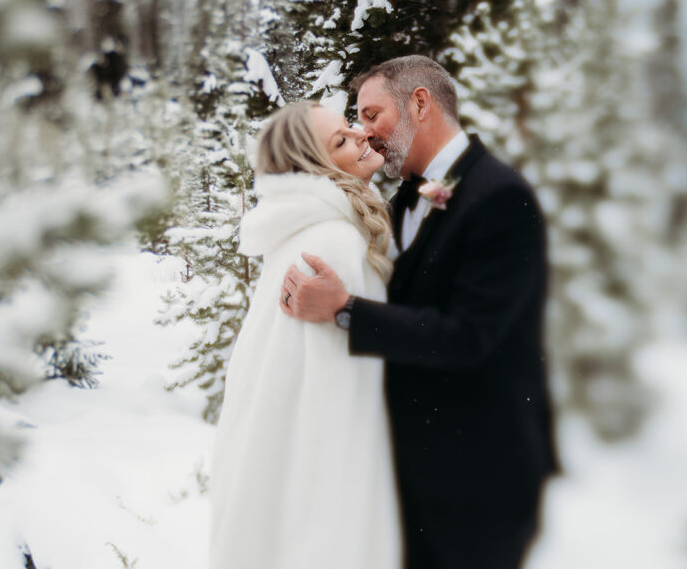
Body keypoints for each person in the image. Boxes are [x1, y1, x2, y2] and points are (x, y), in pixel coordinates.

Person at [280, 55, 558, 569]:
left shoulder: (501, 199)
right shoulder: (413, 194)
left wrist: (345, 311)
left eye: (371, 115)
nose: (365, 133)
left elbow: (469, 335)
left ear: (421, 103)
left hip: (480, 481)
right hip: (416, 475)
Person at [209, 101, 402, 569]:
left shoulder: (313, 234)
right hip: (330, 501)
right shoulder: (334, 244)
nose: (360, 135)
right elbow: (342, 402)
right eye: (340, 140)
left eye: (348, 126)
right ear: (316, 168)